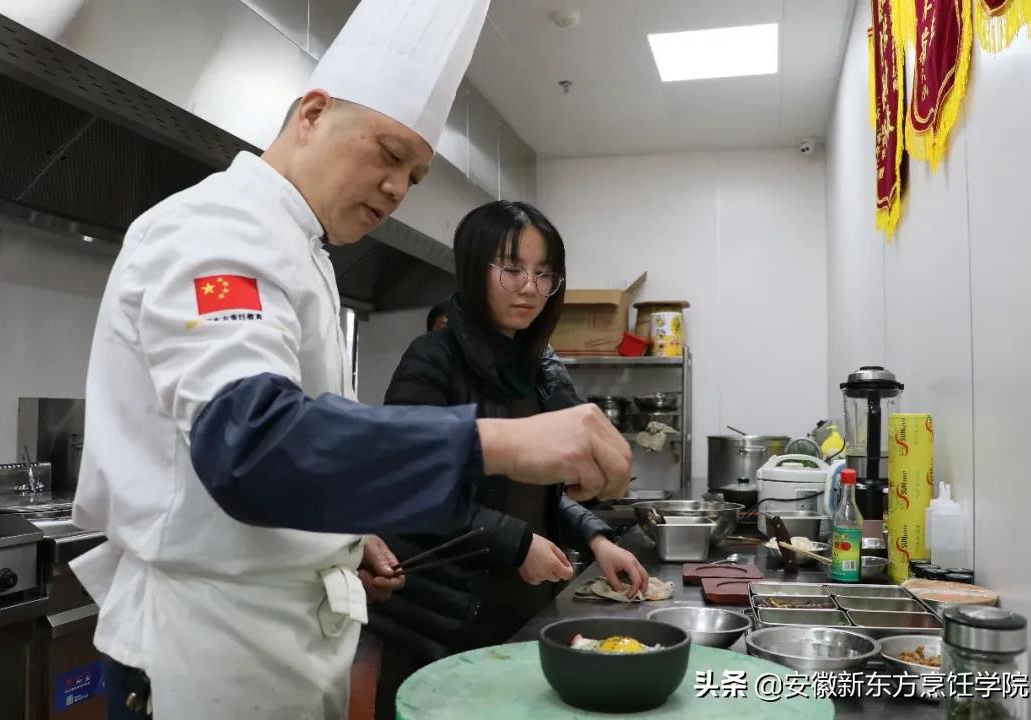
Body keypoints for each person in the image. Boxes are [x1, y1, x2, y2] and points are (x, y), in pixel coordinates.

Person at [69, 2, 631, 718]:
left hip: (278, 647)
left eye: (416, 176)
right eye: (390, 154)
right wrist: (504, 441)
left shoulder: (301, 250)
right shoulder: (218, 227)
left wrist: (338, 536)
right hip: (203, 654)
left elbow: (300, 449)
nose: (399, 188)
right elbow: (253, 442)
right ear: (310, 113)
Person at [369, 201, 649, 716]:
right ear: (476, 268)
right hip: (445, 618)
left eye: (544, 274)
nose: (529, 288)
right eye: (512, 269)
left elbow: (527, 490)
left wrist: (594, 536)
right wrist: (517, 544)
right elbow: (411, 484)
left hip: (518, 613)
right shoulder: (433, 359)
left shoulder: (536, 366)